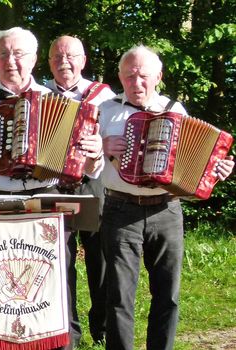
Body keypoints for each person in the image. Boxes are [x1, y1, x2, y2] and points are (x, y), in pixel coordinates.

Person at [98, 45, 233, 350]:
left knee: (168, 293)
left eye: (143, 76)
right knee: (119, 295)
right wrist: (103, 145)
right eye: (130, 76)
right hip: (120, 209)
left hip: (167, 210)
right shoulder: (104, 111)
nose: (137, 82)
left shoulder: (176, 111)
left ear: (158, 76)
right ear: (120, 76)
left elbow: (193, 159)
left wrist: (217, 167)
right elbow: (85, 163)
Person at [0, 27, 103, 196]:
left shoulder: (62, 104)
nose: (10, 61)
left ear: (33, 60)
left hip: (46, 200)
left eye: (18, 54)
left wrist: (95, 154)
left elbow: (88, 170)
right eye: (3, 54)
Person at [45, 35, 117, 346]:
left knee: (100, 257)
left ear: (83, 61)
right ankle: (68, 331)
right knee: (60, 257)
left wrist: (100, 144)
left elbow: (116, 137)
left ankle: (101, 325)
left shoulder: (104, 96)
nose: (64, 62)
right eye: (57, 57)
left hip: (93, 182)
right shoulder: (40, 95)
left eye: (71, 56)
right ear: (49, 62)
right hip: (53, 182)